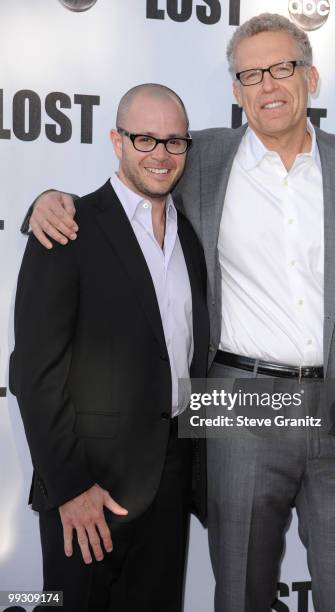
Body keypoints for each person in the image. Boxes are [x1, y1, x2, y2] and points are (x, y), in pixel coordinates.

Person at [23, 13, 335, 612]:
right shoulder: (198, 156)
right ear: (236, 91)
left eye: (282, 68)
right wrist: (44, 202)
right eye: (251, 74)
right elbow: (129, 182)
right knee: (238, 591)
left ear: (310, 76)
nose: (269, 86)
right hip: (237, 397)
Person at [10, 83, 209, 612]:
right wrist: (71, 488)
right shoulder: (67, 226)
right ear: (116, 141)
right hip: (89, 488)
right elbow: (34, 373)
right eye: (145, 139)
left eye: (174, 141)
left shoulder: (188, 237)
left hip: (170, 479)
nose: (161, 155)